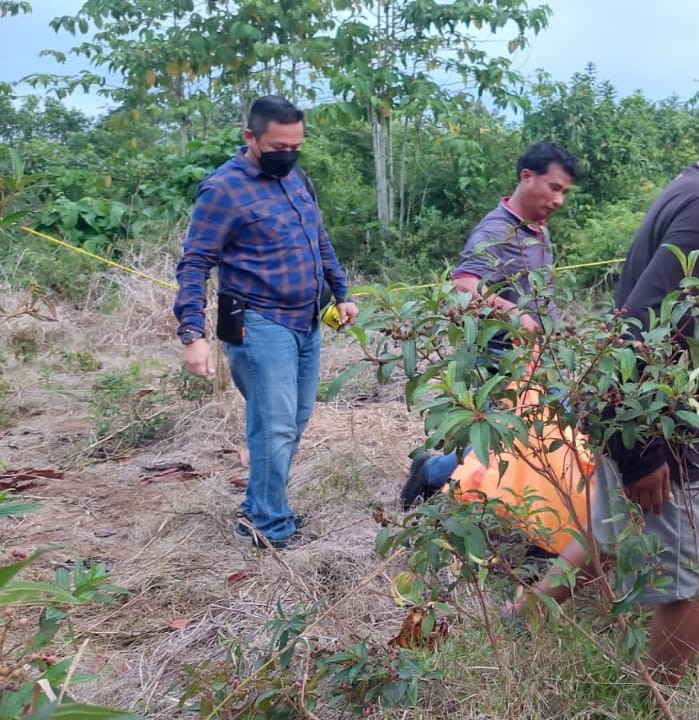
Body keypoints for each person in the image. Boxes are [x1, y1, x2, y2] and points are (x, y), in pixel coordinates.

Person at [521, 78, 699, 682]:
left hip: (655, 424)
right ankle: (655, 696)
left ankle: (521, 617)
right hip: (662, 433)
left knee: (607, 535)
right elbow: (637, 330)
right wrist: (642, 451)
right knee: (693, 586)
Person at [174, 96, 357, 551]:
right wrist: (192, 333)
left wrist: (342, 292)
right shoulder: (223, 189)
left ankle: (263, 508)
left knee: (292, 421)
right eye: (279, 146)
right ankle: (268, 526)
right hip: (258, 322)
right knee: (274, 425)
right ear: (250, 137)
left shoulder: (296, 178)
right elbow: (195, 263)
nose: (288, 154)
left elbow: (320, 239)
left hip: (306, 321)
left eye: (296, 146)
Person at [398, 142, 578, 510]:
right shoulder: (496, 230)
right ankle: (434, 474)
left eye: (564, 192)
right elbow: (463, 284)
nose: (559, 200)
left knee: (533, 429)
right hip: (502, 354)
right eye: (554, 188)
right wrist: (513, 313)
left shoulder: (537, 229)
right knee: (508, 434)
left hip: (538, 353)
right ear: (527, 177)